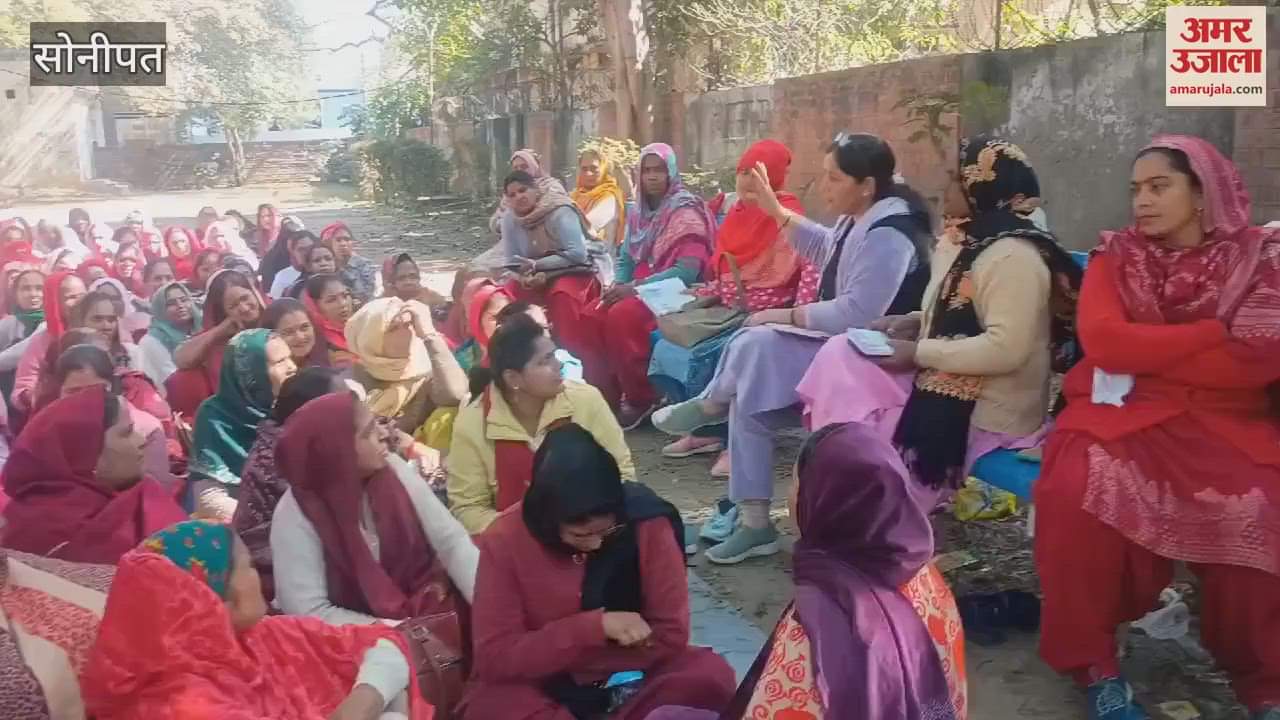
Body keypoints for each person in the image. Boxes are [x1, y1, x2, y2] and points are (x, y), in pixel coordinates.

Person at [1035, 136, 1280, 720]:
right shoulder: (1117, 255)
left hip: (1226, 421)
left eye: (1158, 186)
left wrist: (1149, 352)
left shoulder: (1260, 258)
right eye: (1136, 189)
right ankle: (1094, 664)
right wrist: (1210, 333)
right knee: (1074, 491)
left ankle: (1264, 683)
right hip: (1125, 411)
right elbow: (1105, 343)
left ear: (1202, 193)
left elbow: (1257, 359)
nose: (1141, 201)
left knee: (1258, 507)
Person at [652, 132, 934, 564]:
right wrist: (775, 210)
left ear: (866, 185)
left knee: (757, 339)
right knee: (750, 396)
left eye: (834, 178)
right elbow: (825, 248)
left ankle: (712, 404)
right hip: (841, 350)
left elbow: (857, 312)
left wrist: (782, 315)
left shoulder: (891, 233)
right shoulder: (859, 217)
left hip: (875, 364)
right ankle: (755, 524)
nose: (824, 187)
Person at [796, 136, 1079, 491]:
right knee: (841, 354)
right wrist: (916, 322)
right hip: (942, 378)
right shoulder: (963, 240)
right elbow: (958, 310)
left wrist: (918, 352)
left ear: (983, 186)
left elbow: (1006, 348)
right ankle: (838, 480)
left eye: (955, 180)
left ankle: (861, 495)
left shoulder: (1013, 255)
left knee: (867, 427)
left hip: (989, 410)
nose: (944, 189)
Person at [648, 423, 968, 720]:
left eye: (797, 483)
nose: (790, 497)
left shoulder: (822, 623)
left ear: (824, 500)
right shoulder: (925, 578)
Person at [460, 423, 735, 720]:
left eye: (607, 531)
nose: (595, 544)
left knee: (709, 677)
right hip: (541, 683)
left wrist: (599, 665)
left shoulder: (646, 524)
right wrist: (592, 629)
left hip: (632, 677)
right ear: (548, 520)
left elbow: (671, 635)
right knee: (492, 707)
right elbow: (496, 657)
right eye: (580, 535)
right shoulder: (505, 539)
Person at [83, 519, 434, 720]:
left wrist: (363, 702)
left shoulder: (260, 637)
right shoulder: (184, 705)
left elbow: (384, 645)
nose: (259, 577)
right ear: (212, 600)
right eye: (249, 566)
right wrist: (378, 702)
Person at [269, 391, 477, 714]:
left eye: (377, 423)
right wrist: (396, 631)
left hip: (426, 612)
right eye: (367, 432)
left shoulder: (392, 469)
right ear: (336, 452)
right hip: (351, 644)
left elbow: (451, 542)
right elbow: (308, 610)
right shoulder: (296, 513)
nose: (383, 434)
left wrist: (490, 604)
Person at [651, 140, 820, 462]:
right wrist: (704, 292)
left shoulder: (788, 216)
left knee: (719, 350)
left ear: (773, 178)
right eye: (743, 173)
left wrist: (796, 317)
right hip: (730, 308)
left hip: (768, 314)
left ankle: (737, 442)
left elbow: (810, 269)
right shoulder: (737, 214)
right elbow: (727, 273)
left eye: (757, 174)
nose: (747, 182)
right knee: (663, 340)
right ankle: (705, 432)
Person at [448, 315, 634, 534]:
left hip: (595, 531)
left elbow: (623, 475)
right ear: (513, 379)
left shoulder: (585, 400)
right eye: (545, 361)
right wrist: (537, 534)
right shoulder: (473, 423)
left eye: (554, 355)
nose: (559, 364)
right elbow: (468, 508)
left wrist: (590, 526)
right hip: (516, 542)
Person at [594, 143, 717, 427]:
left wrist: (634, 288)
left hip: (679, 291)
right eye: (646, 170)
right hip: (641, 288)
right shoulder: (638, 212)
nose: (652, 176)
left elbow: (687, 272)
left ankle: (643, 397)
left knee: (623, 315)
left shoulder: (685, 211)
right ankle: (607, 396)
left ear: (671, 171)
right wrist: (618, 286)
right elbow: (626, 258)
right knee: (595, 312)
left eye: (659, 170)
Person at [1, 385, 186, 563]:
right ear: (86, 454)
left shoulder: (135, 501)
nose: (141, 441)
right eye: (126, 433)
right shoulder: (48, 531)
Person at [233, 368, 345, 599]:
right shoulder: (280, 459)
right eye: (340, 402)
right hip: (273, 567)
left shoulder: (313, 439)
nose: (349, 408)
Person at [498, 171, 606, 398]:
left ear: (536, 190)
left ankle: (576, 380)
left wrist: (539, 266)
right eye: (512, 195)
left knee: (563, 297)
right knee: (509, 298)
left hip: (577, 270)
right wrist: (525, 278)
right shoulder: (510, 218)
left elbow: (577, 254)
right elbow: (511, 261)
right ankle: (522, 374)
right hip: (535, 275)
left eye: (523, 190)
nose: (519, 197)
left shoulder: (559, 210)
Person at [189, 328, 297, 521]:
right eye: (280, 362)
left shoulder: (297, 406)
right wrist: (268, 522)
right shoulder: (215, 416)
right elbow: (209, 498)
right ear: (252, 372)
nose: (292, 367)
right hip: (246, 520)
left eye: (290, 358)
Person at [46, 338, 177, 491]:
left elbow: (156, 489)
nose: (85, 399)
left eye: (94, 390)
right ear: (59, 391)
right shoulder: (46, 430)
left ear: (113, 387)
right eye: (74, 392)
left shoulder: (146, 427)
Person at [346, 296, 468, 434]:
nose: (406, 333)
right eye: (393, 328)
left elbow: (456, 395)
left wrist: (429, 335)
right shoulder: (353, 379)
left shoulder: (426, 366)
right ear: (368, 339)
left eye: (408, 324)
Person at [168, 269, 265, 422]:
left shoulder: (277, 317)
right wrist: (219, 330)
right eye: (233, 306)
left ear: (254, 292)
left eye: (245, 298)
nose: (244, 308)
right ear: (224, 312)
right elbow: (181, 358)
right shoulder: (224, 340)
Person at [11, 270, 87, 414]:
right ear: (54, 302)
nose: (79, 302)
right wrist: (37, 395)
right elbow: (21, 390)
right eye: (71, 297)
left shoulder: (103, 329)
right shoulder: (42, 341)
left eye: (82, 296)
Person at [495, 300, 585, 382]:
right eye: (533, 330)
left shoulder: (566, 364)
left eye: (545, 327)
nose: (545, 334)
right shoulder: (494, 371)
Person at [139, 281, 201, 386]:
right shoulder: (151, 341)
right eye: (171, 304)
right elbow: (172, 378)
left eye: (184, 300)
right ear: (160, 309)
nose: (180, 305)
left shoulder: (203, 328)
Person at [452, 278, 513, 372]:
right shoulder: (463, 360)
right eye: (495, 318)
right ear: (477, 320)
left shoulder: (526, 351)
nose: (503, 323)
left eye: (508, 315)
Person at [571, 146, 627, 248]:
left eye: (594, 168)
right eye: (584, 169)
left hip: (598, 255)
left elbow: (585, 228)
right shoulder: (575, 195)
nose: (588, 173)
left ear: (604, 168)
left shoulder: (610, 197)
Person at [322, 221, 382, 306]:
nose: (343, 244)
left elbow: (366, 294)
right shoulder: (325, 266)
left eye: (347, 239)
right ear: (329, 245)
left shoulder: (364, 264)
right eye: (338, 240)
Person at [305, 272, 356, 368]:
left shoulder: (362, 326)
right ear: (315, 306)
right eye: (331, 300)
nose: (343, 303)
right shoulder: (316, 343)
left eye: (345, 296)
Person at [263, 296, 326, 368]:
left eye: (304, 327)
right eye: (288, 332)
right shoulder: (267, 372)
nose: (300, 337)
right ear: (271, 337)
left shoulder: (328, 356)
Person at [90, 275, 152, 341]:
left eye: (114, 298)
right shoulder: (89, 331)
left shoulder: (141, 323)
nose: (109, 302)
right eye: (102, 297)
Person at [268, 228, 319, 298]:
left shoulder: (329, 268)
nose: (307, 252)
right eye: (301, 249)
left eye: (311, 247)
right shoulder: (283, 278)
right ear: (293, 254)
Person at [382, 252, 446, 306]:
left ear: (419, 278)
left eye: (413, 277)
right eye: (401, 278)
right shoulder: (386, 300)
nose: (408, 282)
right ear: (393, 282)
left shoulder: (433, 298)